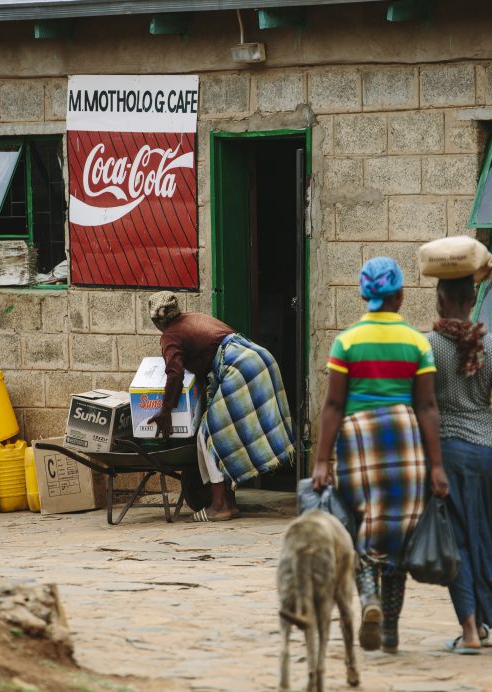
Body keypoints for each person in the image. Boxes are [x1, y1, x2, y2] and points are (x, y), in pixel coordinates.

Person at [311, 257, 448, 655]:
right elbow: (427, 408)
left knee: (360, 526)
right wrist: (436, 466)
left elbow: (333, 405)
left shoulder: (347, 341)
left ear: (363, 294)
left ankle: (367, 596)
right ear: (401, 294)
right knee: (399, 533)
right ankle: (389, 630)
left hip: (357, 441)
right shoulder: (416, 342)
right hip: (405, 442)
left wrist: (322, 461)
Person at [424, 274, 492, 655]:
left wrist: (430, 464)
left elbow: (425, 408)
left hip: (449, 456)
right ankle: (482, 624)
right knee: (485, 537)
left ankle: (470, 629)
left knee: (456, 542)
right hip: (489, 456)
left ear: (441, 300)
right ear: (472, 301)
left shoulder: (429, 348)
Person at [146, 291, 296, 522]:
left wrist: (165, 411)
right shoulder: (194, 317)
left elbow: (174, 373)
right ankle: (230, 502)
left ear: (156, 322)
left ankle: (220, 506)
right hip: (260, 358)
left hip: (241, 367)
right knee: (225, 430)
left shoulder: (169, 336)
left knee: (209, 434)